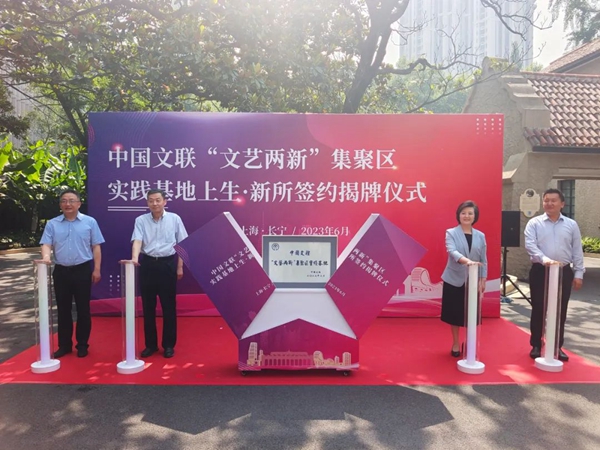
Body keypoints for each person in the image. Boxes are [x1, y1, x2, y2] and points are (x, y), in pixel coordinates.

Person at [39, 189, 105, 358]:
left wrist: (97, 269)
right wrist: (46, 257)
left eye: (71, 200)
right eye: (64, 201)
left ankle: (82, 345)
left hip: (82, 270)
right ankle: (64, 345)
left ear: (79, 204)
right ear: (60, 204)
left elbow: (96, 246)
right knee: (63, 309)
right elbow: (46, 243)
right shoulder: (52, 224)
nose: (67, 204)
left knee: (83, 309)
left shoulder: (90, 222)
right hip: (61, 271)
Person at [524, 188, 584, 362]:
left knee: (560, 310)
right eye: (546, 200)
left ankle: (557, 345)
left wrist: (579, 273)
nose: (549, 203)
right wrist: (545, 260)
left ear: (562, 204)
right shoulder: (534, 223)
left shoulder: (571, 225)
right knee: (539, 308)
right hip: (540, 270)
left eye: (553, 200)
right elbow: (530, 246)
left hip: (563, 271)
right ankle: (536, 344)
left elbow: (577, 250)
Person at [130, 189, 188, 358]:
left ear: (164, 201)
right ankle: (151, 345)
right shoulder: (141, 220)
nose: (154, 203)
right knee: (148, 307)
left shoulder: (174, 219)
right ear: (147, 203)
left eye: (157, 200)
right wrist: (134, 258)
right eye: (150, 200)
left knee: (168, 307)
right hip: (147, 264)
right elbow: (137, 240)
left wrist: (180, 267)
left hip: (167, 265)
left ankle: (168, 345)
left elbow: (183, 244)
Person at [441, 200, 487, 357]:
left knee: (471, 314)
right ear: (458, 215)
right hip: (454, 279)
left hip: (473, 281)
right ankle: (455, 342)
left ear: (475, 216)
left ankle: (469, 341)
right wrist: (468, 262)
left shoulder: (480, 236)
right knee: (454, 314)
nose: (466, 216)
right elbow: (452, 251)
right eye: (463, 213)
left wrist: (483, 278)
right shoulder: (451, 233)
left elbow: (484, 259)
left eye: (470, 213)